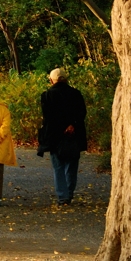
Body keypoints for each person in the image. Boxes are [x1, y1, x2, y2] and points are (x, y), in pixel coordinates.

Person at [37, 67, 87, 205]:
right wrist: (72, 125)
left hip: (55, 136)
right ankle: (69, 193)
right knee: (71, 165)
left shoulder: (47, 95)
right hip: (74, 135)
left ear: (52, 80)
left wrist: (60, 128)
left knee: (58, 167)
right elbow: (82, 113)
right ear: (65, 79)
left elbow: (48, 117)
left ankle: (62, 196)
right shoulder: (76, 93)